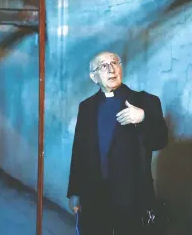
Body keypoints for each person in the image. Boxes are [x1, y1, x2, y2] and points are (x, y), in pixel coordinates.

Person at [67, 51, 168, 235]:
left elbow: (160, 141)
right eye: (103, 66)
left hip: (132, 196)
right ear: (94, 77)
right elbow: (79, 151)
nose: (111, 69)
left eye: (115, 63)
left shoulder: (146, 101)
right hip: (94, 195)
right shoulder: (86, 107)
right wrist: (74, 192)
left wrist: (143, 117)